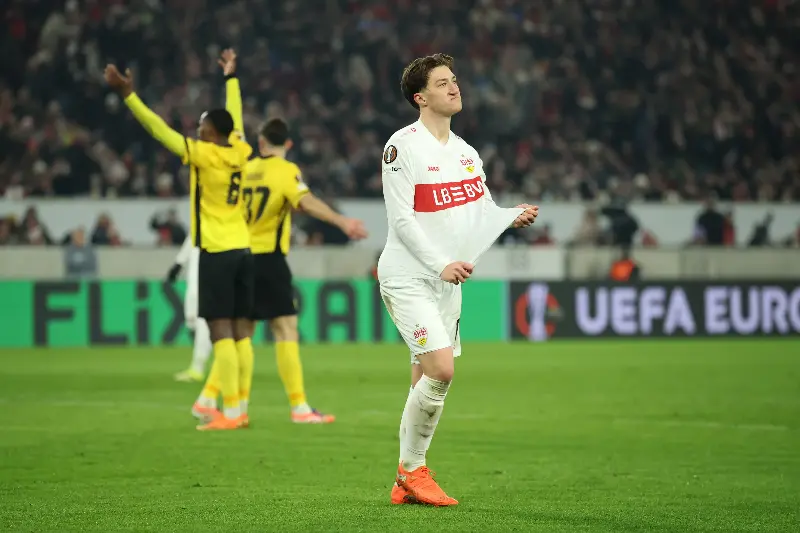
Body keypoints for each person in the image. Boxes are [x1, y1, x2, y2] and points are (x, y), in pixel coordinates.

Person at [378, 53, 538, 506]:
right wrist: (440, 263)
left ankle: (406, 479)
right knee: (442, 370)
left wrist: (509, 216)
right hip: (408, 275)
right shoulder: (401, 146)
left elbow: (480, 209)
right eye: (442, 83)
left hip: (446, 283)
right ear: (420, 97)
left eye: (454, 80)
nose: (454, 87)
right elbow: (402, 220)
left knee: (423, 377)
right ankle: (413, 470)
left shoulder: (467, 152)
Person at [104, 49, 254, 431]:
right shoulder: (239, 148)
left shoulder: (204, 154)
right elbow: (234, 115)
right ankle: (237, 408)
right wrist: (231, 79)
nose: (197, 129)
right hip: (244, 248)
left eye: (202, 125)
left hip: (217, 251)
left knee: (220, 331)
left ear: (212, 133)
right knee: (241, 334)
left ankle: (231, 413)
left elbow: (158, 130)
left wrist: (128, 96)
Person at [240, 117, 368, 423]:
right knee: (285, 329)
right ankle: (299, 407)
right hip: (269, 258)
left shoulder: (243, 170)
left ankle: (236, 407)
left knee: (243, 333)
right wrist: (342, 222)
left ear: (260, 142)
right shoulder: (286, 171)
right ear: (288, 143)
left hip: (239, 257)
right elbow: (306, 202)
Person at [168, 234, 212, 384]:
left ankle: (197, 367)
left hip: (213, 258)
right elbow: (193, 234)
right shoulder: (197, 228)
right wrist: (179, 262)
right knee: (192, 321)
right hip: (196, 266)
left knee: (203, 321)